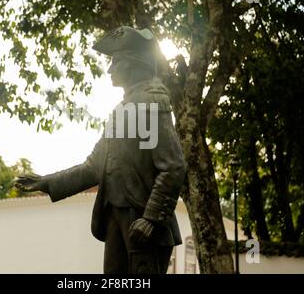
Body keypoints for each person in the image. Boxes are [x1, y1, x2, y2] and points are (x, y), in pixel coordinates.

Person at [15, 26, 187, 274]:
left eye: (116, 62)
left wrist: (151, 218)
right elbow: (94, 167)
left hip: (140, 221)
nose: (109, 69)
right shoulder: (121, 111)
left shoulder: (151, 103)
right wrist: (47, 182)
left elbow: (173, 167)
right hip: (115, 217)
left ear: (132, 63)